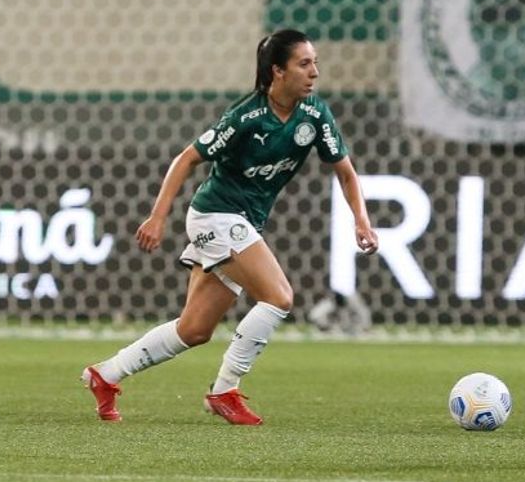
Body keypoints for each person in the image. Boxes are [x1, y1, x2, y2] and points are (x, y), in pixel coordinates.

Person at [82, 29, 379, 425]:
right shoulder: (245, 117)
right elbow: (186, 158)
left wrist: (362, 220)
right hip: (215, 215)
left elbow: (345, 173)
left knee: (194, 329)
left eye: (315, 63)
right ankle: (225, 390)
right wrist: (158, 215)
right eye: (304, 63)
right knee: (279, 297)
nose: (315, 72)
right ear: (278, 71)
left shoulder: (314, 115)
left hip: (242, 222)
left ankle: (106, 375)